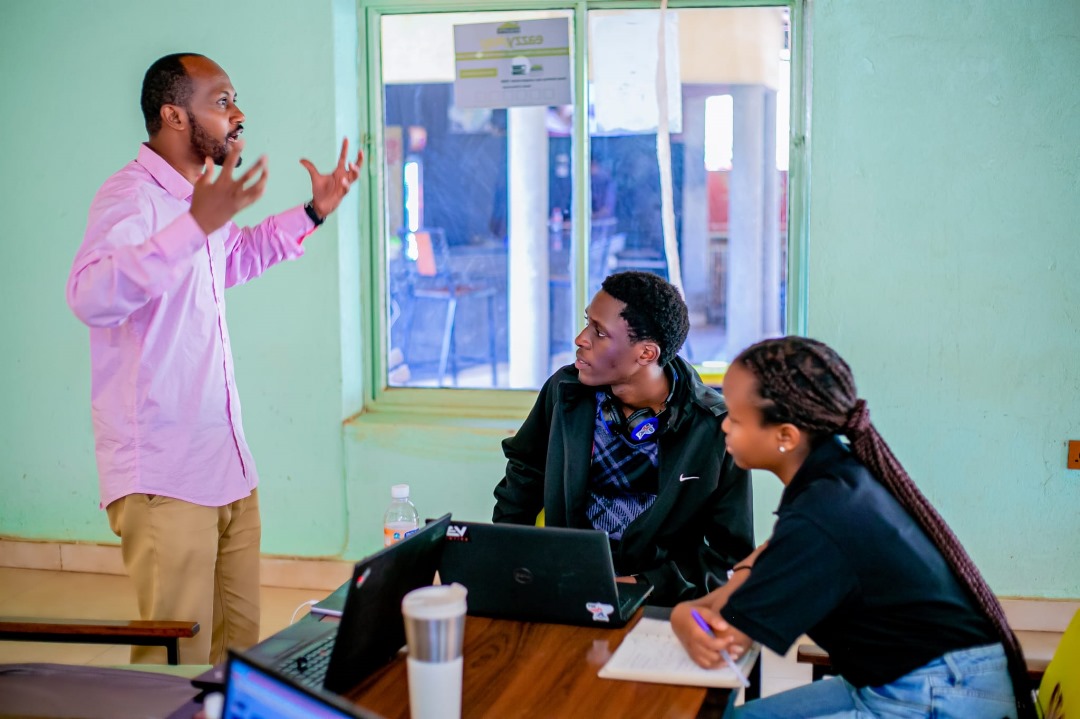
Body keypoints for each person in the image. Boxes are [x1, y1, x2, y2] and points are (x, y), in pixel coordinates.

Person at [66, 52, 362, 665]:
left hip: (226, 464)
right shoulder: (131, 196)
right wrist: (193, 226)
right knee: (173, 667)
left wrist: (312, 212)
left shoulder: (202, 200)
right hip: (164, 476)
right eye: (222, 101)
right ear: (174, 115)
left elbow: (234, 258)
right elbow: (92, 296)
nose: (238, 113)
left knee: (240, 658)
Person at [670, 336, 1033, 718]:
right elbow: (767, 558)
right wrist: (705, 604)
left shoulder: (823, 511)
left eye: (736, 418)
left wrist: (682, 615)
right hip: (909, 679)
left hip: (939, 693)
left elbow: (727, 637)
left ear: (786, 436)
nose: (724, 425)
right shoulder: (833, 473)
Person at [493, 271, 753, 605]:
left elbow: (727, 558)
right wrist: (508, 561)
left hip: (663, 601)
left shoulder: (715, 427)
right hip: (568, 586)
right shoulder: (564, 392)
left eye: (599, 332)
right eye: (587, 323)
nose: (580, 339)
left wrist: (636, 584)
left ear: (646, 354)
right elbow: (523, 477)